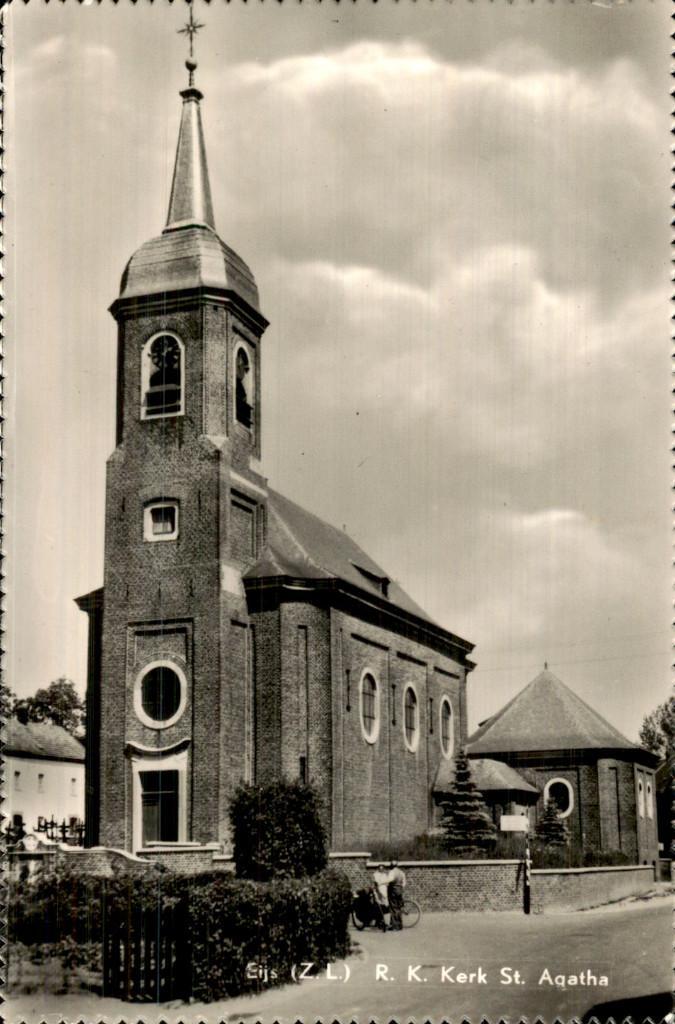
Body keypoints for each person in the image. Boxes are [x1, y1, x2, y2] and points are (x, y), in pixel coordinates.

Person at [372, 862, 392, 931]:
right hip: (379, 893)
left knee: (385, 907)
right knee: (378, 907)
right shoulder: (375, 874)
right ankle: (379, 922)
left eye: (382, 868)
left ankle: (385, 923)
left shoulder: (385, 875)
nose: (381, 869)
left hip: (384, 892)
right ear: (378, 868)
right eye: (380, 868)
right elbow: (376, 885)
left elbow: (387, 883)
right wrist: (379, 893)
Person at [388, 859, 406, 930]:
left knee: (393, 908)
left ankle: (394, 926)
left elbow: (390, 880)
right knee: (399, 907)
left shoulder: (392, 872)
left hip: (393, 891)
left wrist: (383, 882)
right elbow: (404, 882)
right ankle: (400, 925)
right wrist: (401, 887)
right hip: (400, 891)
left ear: (391, 866)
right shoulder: (401, 872)